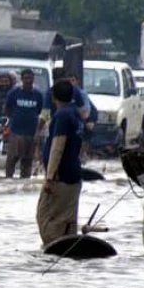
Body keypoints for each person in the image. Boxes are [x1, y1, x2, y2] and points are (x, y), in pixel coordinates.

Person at [38, 80, 84, 245]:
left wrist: (50, 176)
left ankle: (54, 250)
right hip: (74, 174)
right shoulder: (76, 113)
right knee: (67, 219)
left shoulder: (62, 115)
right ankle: (67, 259)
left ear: (53, 97)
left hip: (60, 177)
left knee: (45, 217)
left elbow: (58, 146)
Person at [3, 69, 44, 179]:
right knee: (12, 158)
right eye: (26, 78)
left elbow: (40, 111)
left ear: (33, 79)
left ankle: (25, 181)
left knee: (27, 160)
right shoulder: (14, 93)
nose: (28, 81)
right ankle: (8, 179)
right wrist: (12, 120)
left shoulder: (38, 95)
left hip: (31, 132)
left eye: (30, 78)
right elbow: (7, 108)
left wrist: (37, 132)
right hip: (16, 131)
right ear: (22, 79)